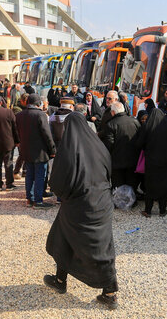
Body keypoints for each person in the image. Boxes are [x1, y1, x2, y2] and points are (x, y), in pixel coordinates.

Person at [44, 111, 119, 309]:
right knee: (99, 245)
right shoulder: (98, 146)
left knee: (65, 239)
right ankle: (108, 292)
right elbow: (108, 171)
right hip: (102, 204)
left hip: (79, 206)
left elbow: (58, 183)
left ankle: (62, 281)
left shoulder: (68, 150)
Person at [16, 94, 56, 208]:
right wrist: (52, 149)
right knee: (39, 176)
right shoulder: (40, 115)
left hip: (26, 150)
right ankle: (38, 201)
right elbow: (47, 135)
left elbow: (16, 132)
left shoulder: (19, 115)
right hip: (40, 151)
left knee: (29, 175)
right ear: (38, 103)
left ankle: (29, 199)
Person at [135, 108, 167, 217]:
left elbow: (139, 143)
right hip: (166, 161)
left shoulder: (147, 126)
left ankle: (148, 210)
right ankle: (162, 210)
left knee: (150, 185)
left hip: (151, 161)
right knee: (163, 184)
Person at [100, 101, 140, 189]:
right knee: (131, 183)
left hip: (117, 161)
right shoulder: (134, 121)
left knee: (118, 185)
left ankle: (120, 202)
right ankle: (131, 201)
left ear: (113, 112)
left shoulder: (111, 124)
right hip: (133, 159)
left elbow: (109, 144)